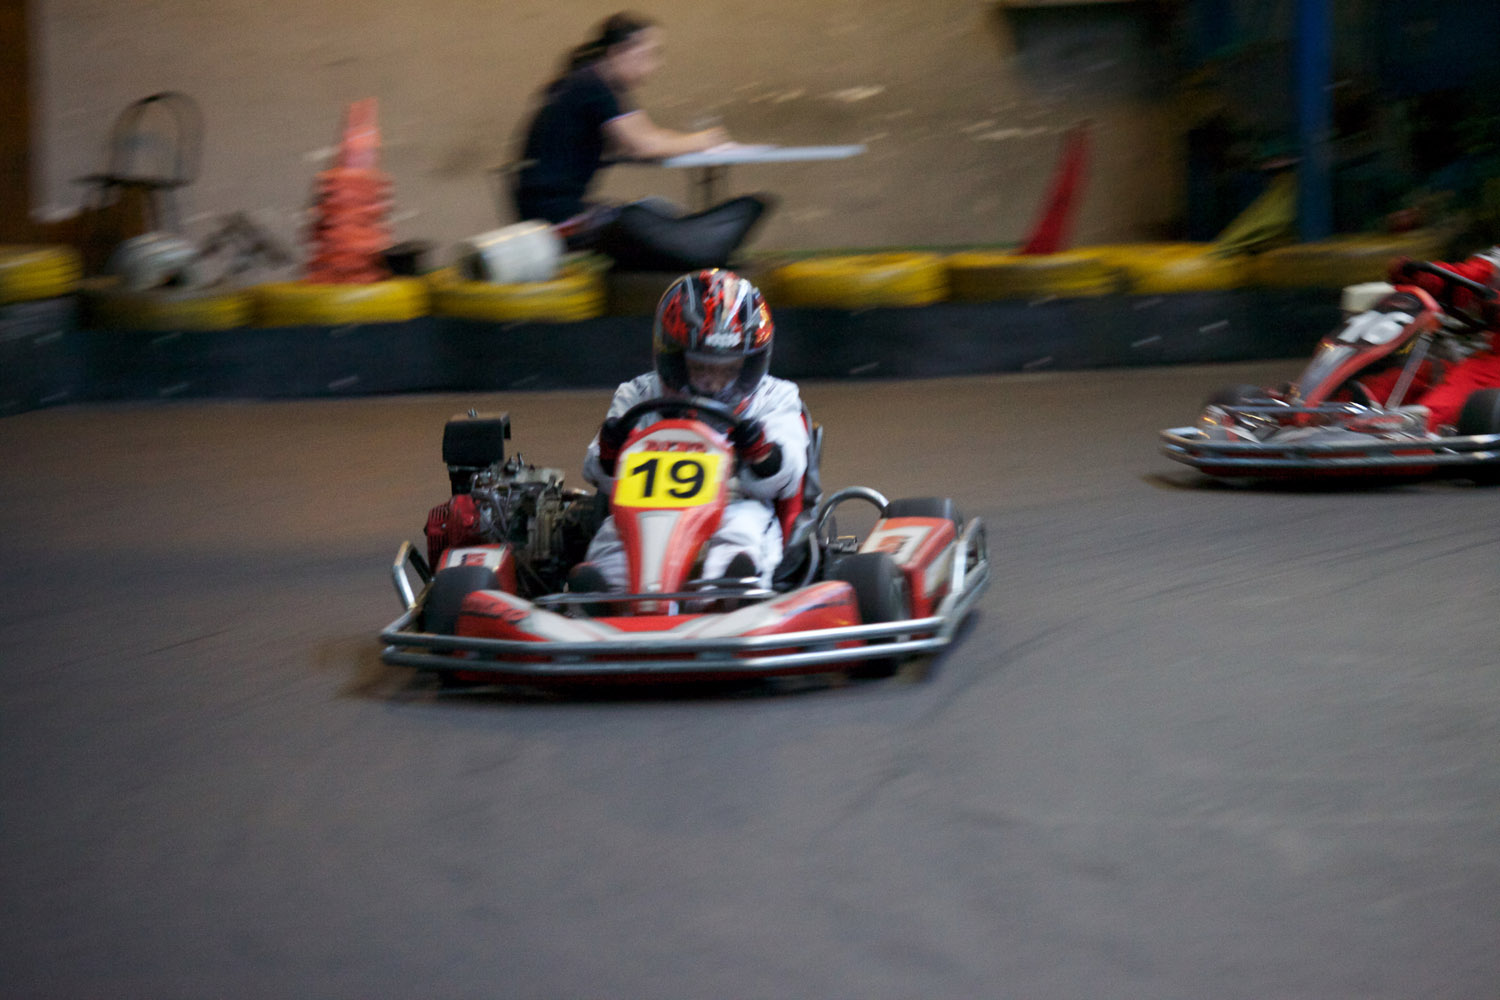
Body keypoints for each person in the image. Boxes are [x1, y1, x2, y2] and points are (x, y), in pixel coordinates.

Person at [570, 269, 808, 598]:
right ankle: (605, 597)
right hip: (643, 511)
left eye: (728, 369)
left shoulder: (774, 397)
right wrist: (610, 452)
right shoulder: (638, 394)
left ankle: (729, 594)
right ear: (675, 359)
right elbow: (596, 471)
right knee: (613, 540)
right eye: (701, 367)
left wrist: (760, 452)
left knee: (744, 532)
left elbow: (789, 474)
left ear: (749, 364)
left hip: (735, 502)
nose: (714, 381)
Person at [512, 12, 771, 271]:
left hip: (544, 209)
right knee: (646, 220)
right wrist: (706, 140)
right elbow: (644, 146)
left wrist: (698, 141)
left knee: (653, 214)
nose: (655, 65)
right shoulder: (593, 85)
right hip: (556, 217)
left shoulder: (588, 81)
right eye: (650, 54)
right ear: (619, 51)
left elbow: (648, 136)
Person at [1385, 247, 1500, 430]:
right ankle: (1350, 417)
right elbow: (1469, 277)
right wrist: (1425, 279)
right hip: (1484, 355)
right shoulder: (1495, 264)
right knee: (1406, 378)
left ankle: (1413, 433)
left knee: (1456, 393)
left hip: (1491, 368)